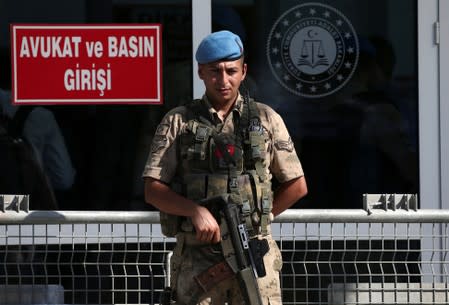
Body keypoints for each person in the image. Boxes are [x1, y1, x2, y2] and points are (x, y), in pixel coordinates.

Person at [143, 30, 307, 305]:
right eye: (214, 71)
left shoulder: (266, 119)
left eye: (231, 71)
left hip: (254, 256)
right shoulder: (178, 122)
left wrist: (260, 219)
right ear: (201, 73)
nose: (223, 80)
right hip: (199, 258)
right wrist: (194, 211)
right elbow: (153, 190)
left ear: (243, 72)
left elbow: (297, 185)